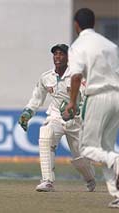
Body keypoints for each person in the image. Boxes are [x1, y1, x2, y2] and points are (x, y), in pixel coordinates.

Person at [18, 44, 96, 192]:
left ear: (68, 58)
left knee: (80, 159)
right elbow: (37, 97)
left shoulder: (77, 76)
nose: (58, 57)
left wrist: (76, 110)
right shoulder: (47, 77)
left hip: (77, 120)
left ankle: (90, 178)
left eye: (61, 54)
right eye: (55, 54)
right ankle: (47, 181)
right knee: (46, 134)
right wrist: (27, 113)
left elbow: (87, 97)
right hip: (56, 117)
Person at [64, 8, 119, 208]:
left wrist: (71, 102)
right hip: (117, 96)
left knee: (88, 148)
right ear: (93, 24)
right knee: (105, 149)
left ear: (76, 25)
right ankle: (117, 194)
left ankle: (117, 161)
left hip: (98, 96)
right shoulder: (110, 45)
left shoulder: (78, 45)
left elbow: (76, 76)